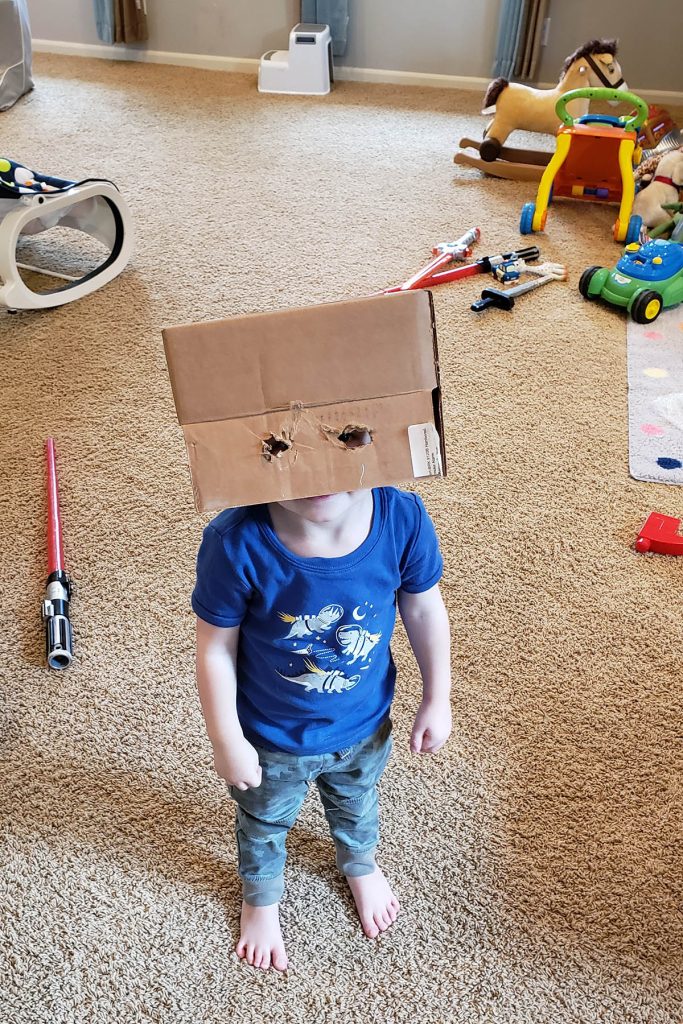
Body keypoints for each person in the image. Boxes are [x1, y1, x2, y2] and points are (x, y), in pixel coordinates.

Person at [193, 487, 452, 972]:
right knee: (264, 822)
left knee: (357, 802)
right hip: (270, 736)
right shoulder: (234, 540)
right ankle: (262, 897)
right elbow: (214, 648)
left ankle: (359, 864)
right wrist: (224, 737)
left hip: (365, 723)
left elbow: (423, 608)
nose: (317, 480)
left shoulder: (402, 517)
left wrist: (438, 698)